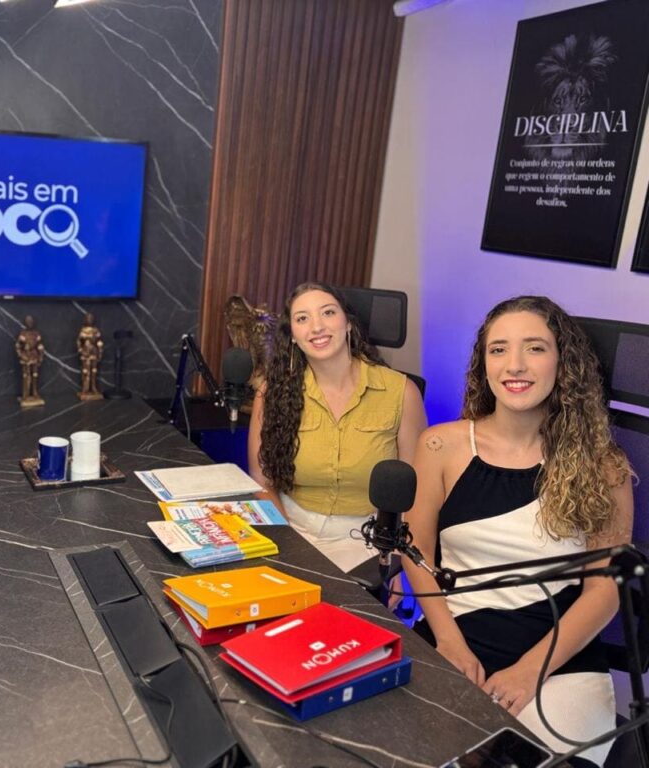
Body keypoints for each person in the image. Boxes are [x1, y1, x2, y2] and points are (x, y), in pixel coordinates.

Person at [402, 296, 632, 767]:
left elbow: (604, 591)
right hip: (453, 637)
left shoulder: (603, 465)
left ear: (563, 363)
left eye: (535, 348)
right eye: (499, 349)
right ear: (483, 363)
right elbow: (416, 548)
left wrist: (528, 672)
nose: (515, 365)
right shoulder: (441, 445)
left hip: (558, 660)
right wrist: (449, 643)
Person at [248, 282, 426, 572]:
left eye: (328, 313)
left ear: (348, 323)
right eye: (302, 318)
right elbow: (261, 478)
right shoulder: (271, 393)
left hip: (367, 542)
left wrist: (396, 561)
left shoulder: (402, 392)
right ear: (292, 336)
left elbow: (415, 490)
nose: (316, 326)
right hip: (291, 529)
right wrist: (287, 543)